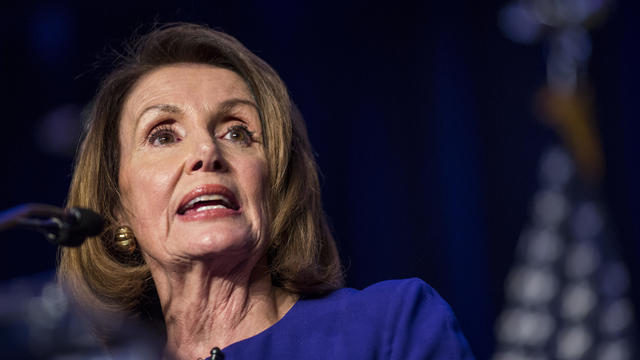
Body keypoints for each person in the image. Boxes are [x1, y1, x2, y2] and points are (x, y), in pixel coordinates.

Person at [58, 23, 474, 360]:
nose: (207, 152)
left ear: (278, 186)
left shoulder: (390, 325)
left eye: (237, 132)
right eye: (164, 136)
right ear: (116, 207)